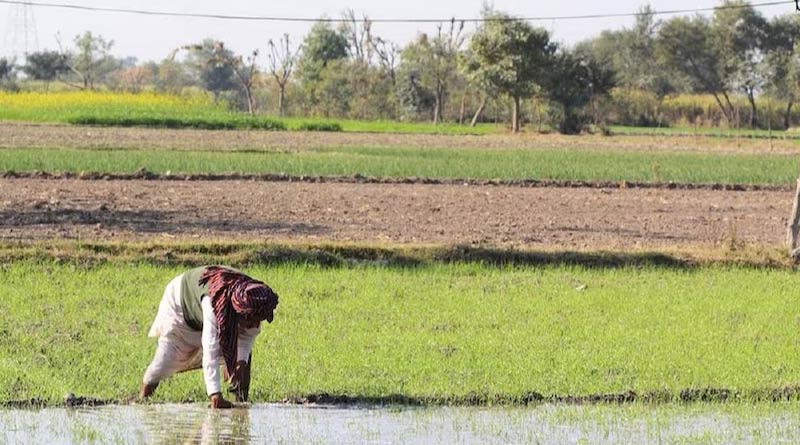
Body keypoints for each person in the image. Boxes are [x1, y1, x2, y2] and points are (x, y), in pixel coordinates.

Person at [140, 265, 279, 408]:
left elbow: (247, 337)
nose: (255, 324)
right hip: (180, 304)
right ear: (239, 312)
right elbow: (210, 349)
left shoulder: (253, 300)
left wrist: (240, 362)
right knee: (168, 357)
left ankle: (241, 403)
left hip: (222, 312)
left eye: (259, 319)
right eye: (251, 320)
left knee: (242, 363)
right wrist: (215, 395)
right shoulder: (215, 305)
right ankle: (142, 400)